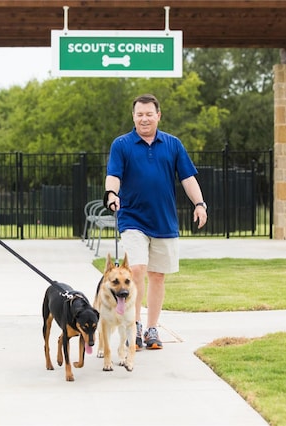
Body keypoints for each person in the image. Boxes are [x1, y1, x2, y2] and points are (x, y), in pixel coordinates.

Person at [104, 94, 208, 350]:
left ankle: (152, 329)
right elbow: (113, 175)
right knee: (136, 269)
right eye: (139, 114)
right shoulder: (122, 144)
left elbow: (188, 178)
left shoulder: (172, 144)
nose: (144, 118)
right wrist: (111, 194)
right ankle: (135, 326)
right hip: (132, 218)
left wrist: (200, 204)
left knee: (157, 275)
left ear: (158, 116)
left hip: (164, 220)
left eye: (149, 114)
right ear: (133, 117)